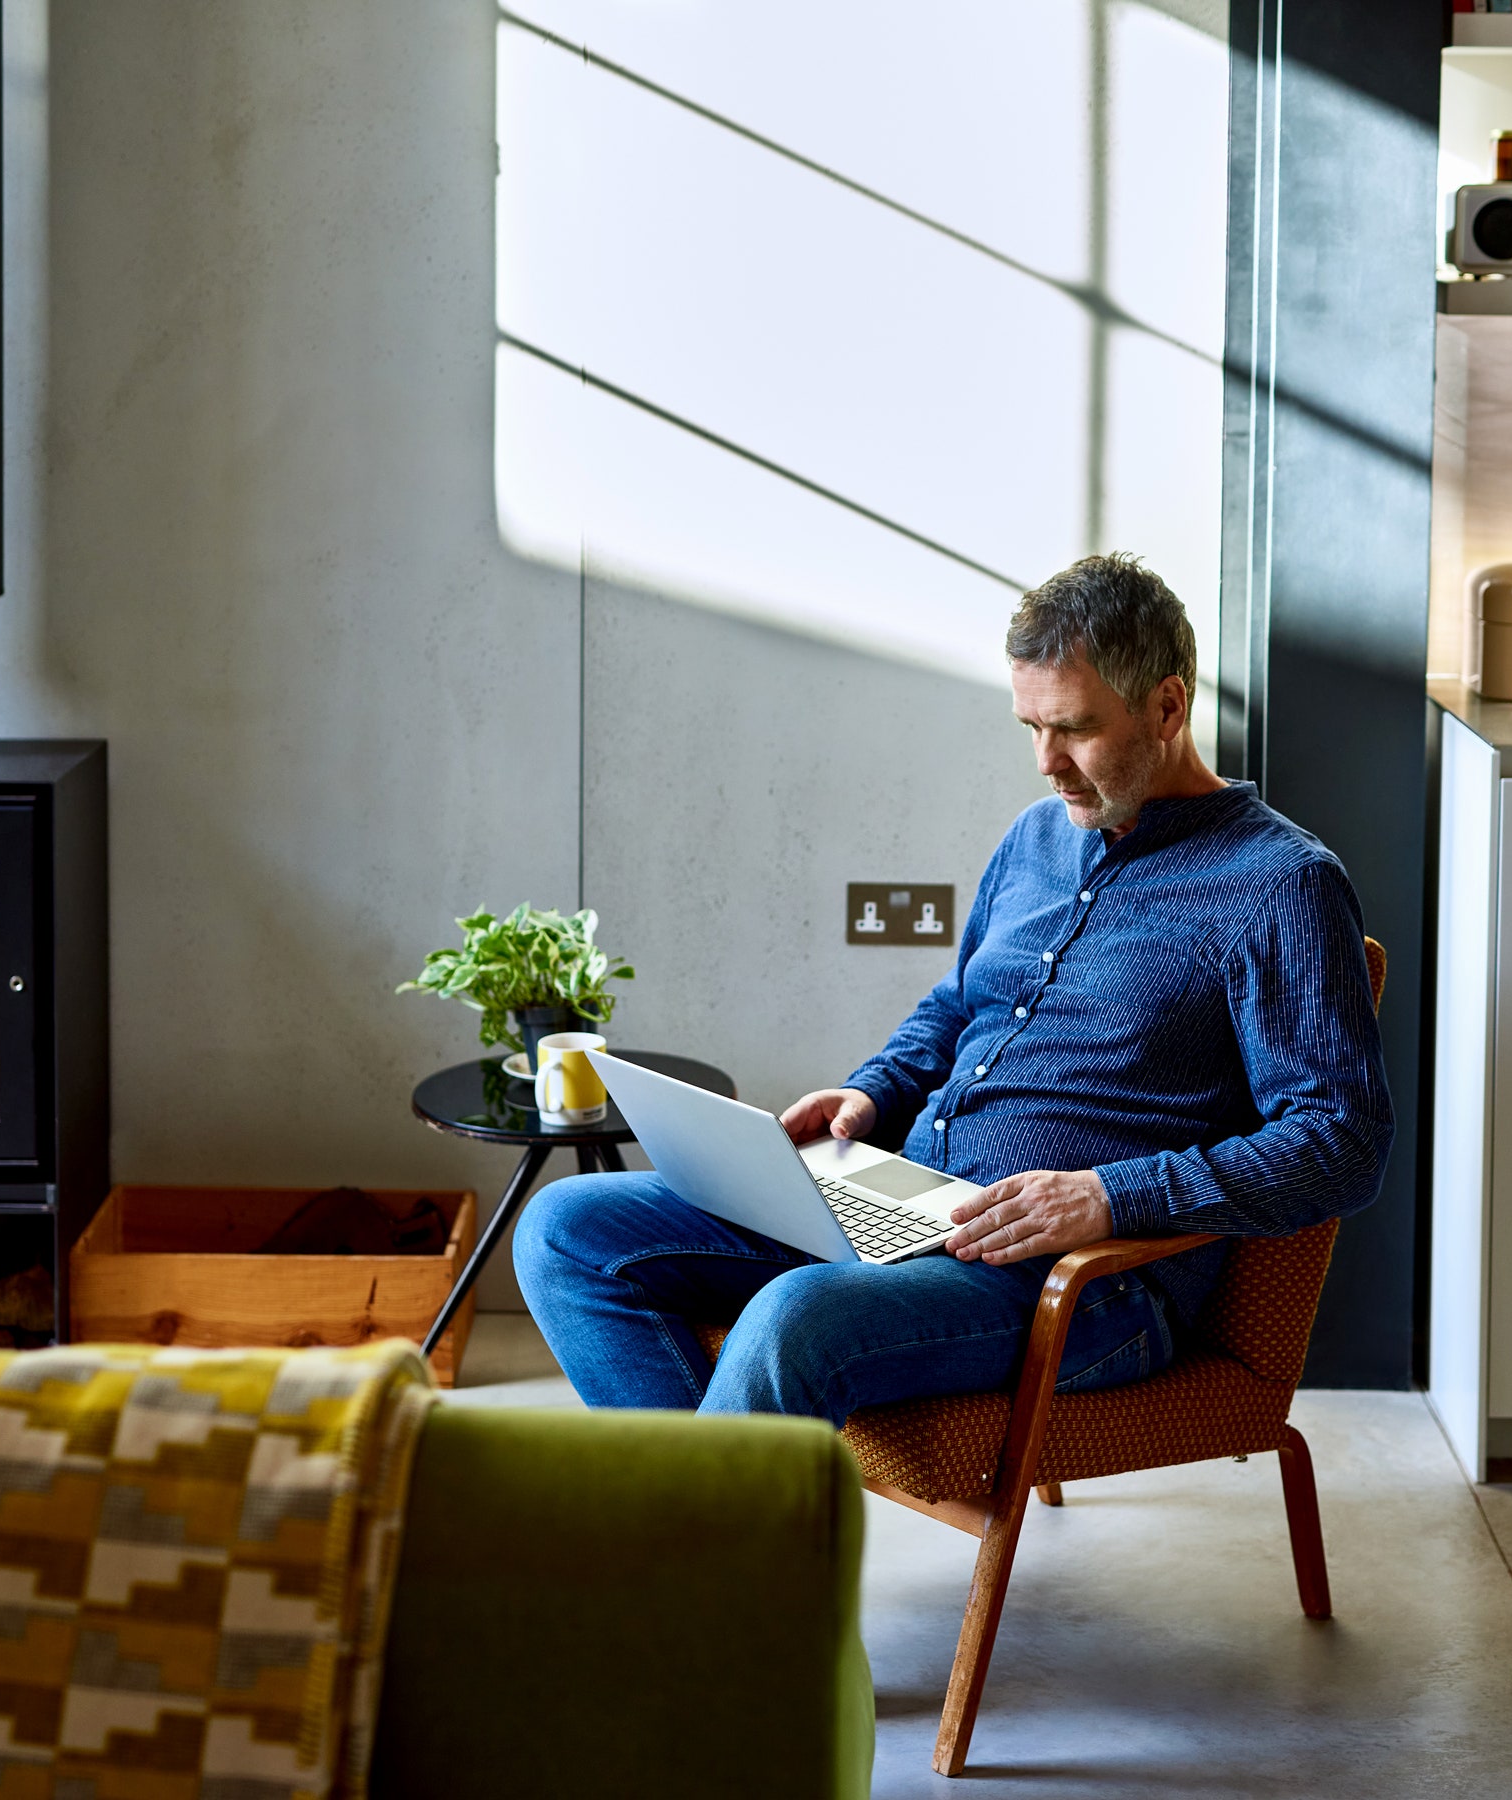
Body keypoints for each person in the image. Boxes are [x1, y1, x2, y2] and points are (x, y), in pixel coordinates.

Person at [514, 553, 1392, 1426]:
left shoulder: (1280, 884)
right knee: (565, 1229)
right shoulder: (1036, 838)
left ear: (1168, 706)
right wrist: (871, 1091)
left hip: (1087, 1283)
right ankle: (702, 1531)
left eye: (1076, 728)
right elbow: (958, 1007)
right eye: (1030, 727)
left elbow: (1339, 1141)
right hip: (910, 1199)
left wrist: (1107, 1195)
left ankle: (697, 1549)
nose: (1047, 763)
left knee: (796, 1320)